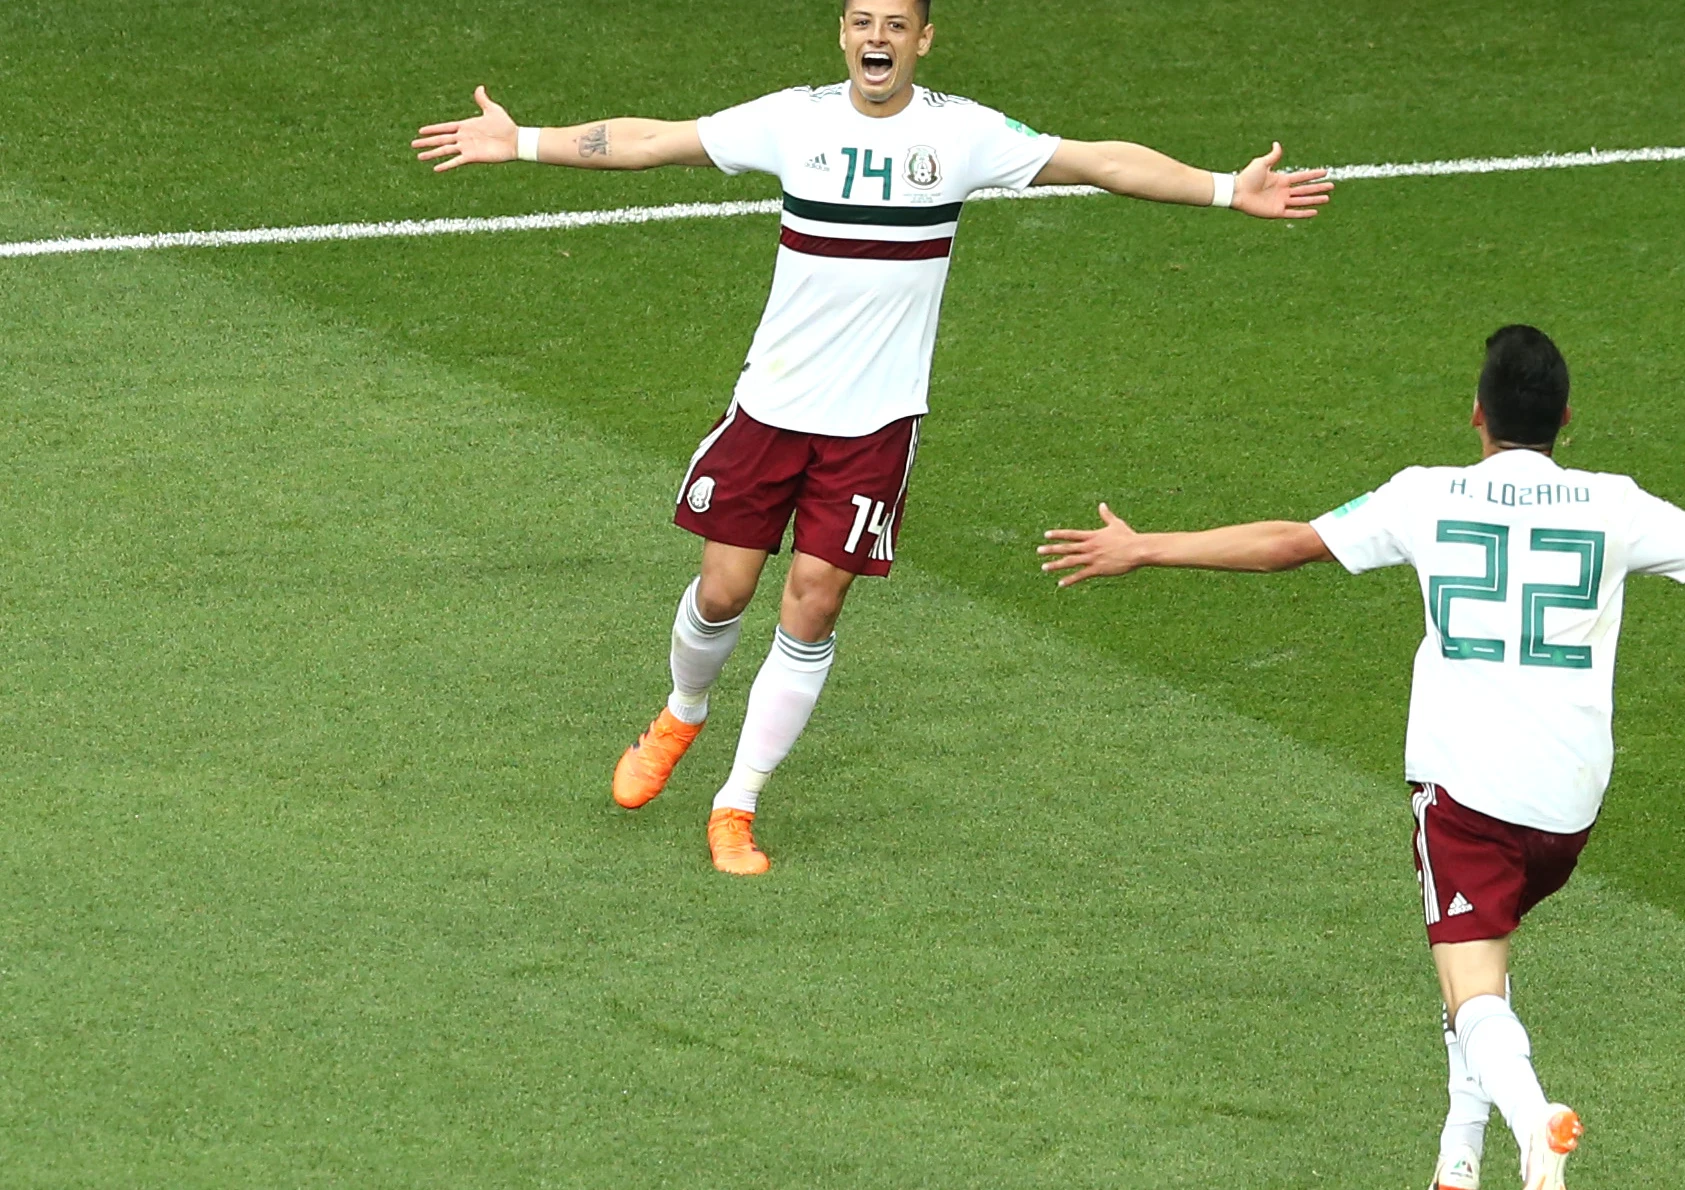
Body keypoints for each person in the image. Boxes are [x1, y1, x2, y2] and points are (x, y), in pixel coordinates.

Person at [1036, 324, 1685, 1190]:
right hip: (1570, 806)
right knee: (1473, 959)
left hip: (1467, 793)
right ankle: (1457, 1154)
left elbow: (1290, 543)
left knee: (1473, 990)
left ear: (1476, 415)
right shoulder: (1612, 504)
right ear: (1567, 419)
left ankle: (1532, 1121)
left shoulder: (1424, 497)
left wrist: (1148, 547)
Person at [411, 0, 1332, 875]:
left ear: (925, 40)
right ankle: (680, 713)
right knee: (723, 590)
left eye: (896, 23)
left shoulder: (963, 135)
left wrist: (1223, 191)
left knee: (811, 603)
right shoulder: (794, 121)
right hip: (771, 409)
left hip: (874, 427)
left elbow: (1098, 161)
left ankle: (736, 804)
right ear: (842, 35)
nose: (877, 37)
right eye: (862, 22)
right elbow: (654, 139)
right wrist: (521, 141)